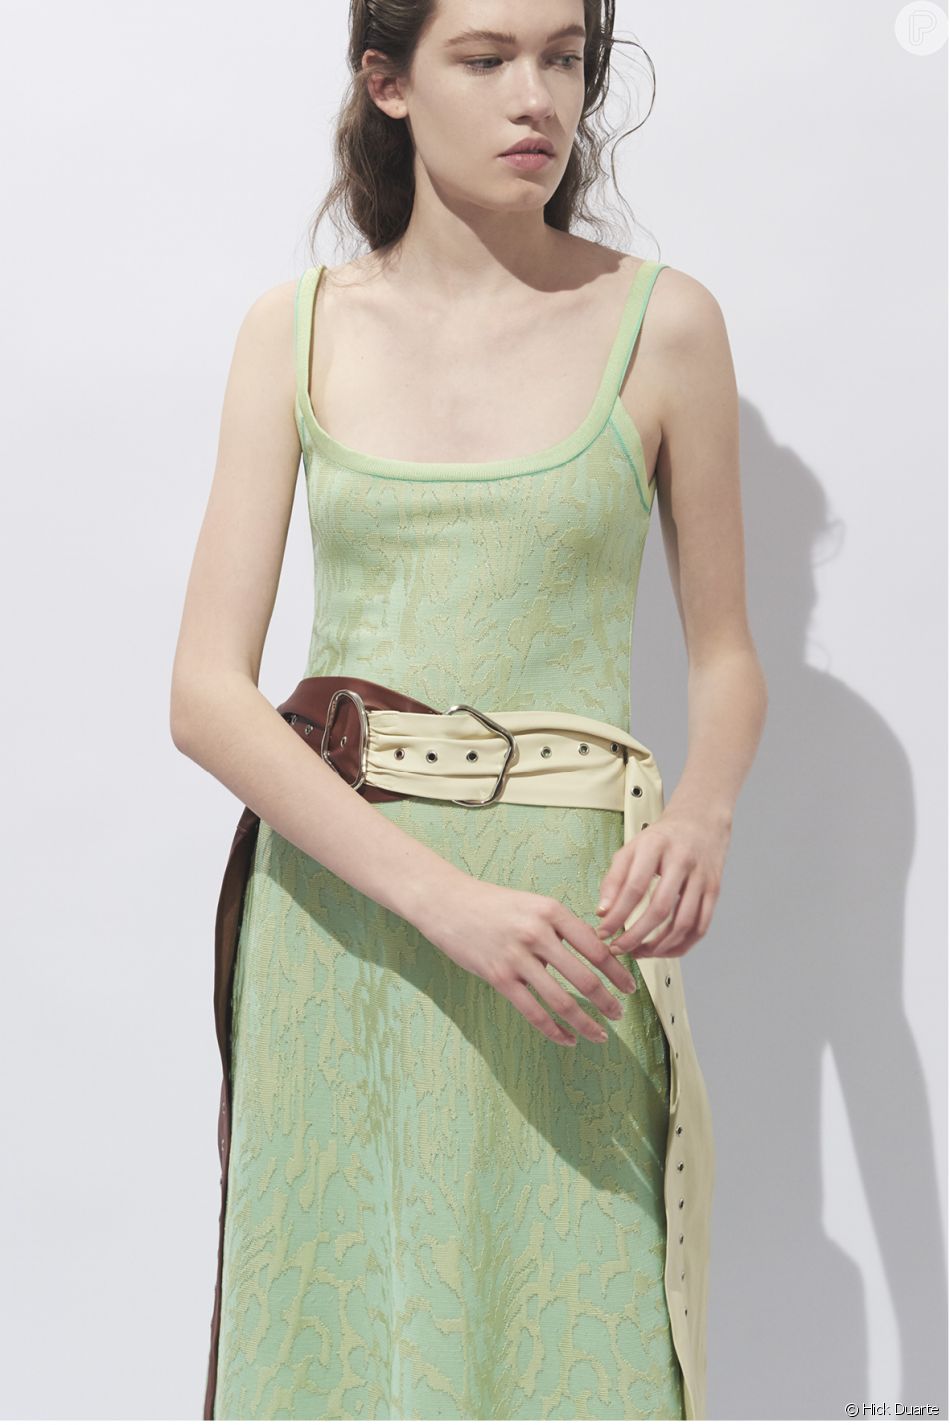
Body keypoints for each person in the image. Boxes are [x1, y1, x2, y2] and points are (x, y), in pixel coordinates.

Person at [170, 1, 768, 1419]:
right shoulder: (295, 330)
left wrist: (701, 815)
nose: (536, 98)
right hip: (345, 927)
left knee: (576, 1346)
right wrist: (442, 899)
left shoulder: (666, 324)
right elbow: (205, 694)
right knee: (344, 1354)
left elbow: (727, 655)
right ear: (387, 82)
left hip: (571, 933)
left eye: (564, 58)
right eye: (486, 59)